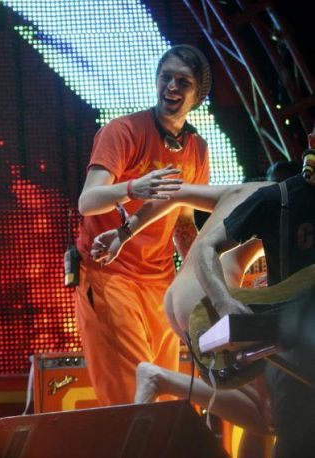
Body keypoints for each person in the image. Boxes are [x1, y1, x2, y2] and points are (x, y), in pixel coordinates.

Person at [92, 182, 274, 457]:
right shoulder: (288, 200)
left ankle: (162, 380)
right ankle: (161, 379)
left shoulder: (240, 191)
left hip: (178, 295)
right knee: (269, 417)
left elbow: (174, 194)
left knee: (257, 412)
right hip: (206, 298)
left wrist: (124, 234)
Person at [75, 44, 212, 405]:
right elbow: (87, 201)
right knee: (134, 395)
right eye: (166, 77)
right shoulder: (122, 131)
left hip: (160, 283)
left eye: (183, 81)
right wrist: (133, 188)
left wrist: (205, 276)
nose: (172, 86)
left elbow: (183, 225)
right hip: (109, 275)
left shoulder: (197, 150)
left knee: (164, 397)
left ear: (198, 95)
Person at [192, 129, 315, 457]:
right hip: (295, 359)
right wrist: (224, 302)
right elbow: (204, 247)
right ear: (312, 142)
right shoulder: (279, 199)